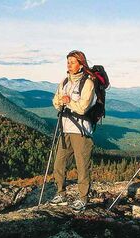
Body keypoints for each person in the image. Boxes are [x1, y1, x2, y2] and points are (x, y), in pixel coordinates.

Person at [50, 50, 96, 211]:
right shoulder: (64, 82)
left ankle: (83, 198)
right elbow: (56, 101)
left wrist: (68, 102)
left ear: (81, 64)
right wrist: (62, 102)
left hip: (81, 130)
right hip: (65, 128)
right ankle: (60, 193)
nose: (69, 65)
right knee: (59, 163)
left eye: (73, 62)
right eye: (68, 61)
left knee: (82, 165)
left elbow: (83, 108)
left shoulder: (88, 83)